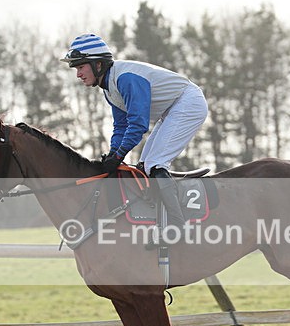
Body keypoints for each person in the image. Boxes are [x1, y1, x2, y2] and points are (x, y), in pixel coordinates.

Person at [60, 33, 208, 231]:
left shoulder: (126, 79)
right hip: (173, 108)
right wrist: (113, 153)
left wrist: (119, 155)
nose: (78, 74)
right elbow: (121, 126)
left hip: (188, 102)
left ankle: (177, 225)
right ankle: (159, 221)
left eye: (80, 67)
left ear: (98, 64)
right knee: (144, 166)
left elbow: (138, 125)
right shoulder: (109, 87)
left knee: (155, 164)